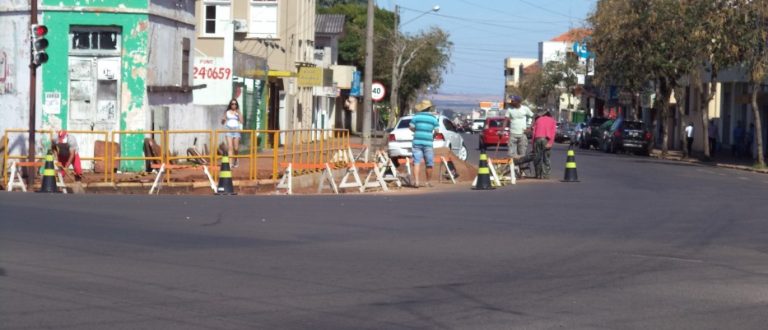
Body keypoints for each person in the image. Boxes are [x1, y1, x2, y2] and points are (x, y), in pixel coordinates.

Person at [409, 99, 439, 188]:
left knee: (416, 162)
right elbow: (437, 131)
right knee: (429, 163)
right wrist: (432, 136)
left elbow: (410, 127)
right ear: (429, 108)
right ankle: (428, 182)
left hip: (417, 142)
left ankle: (417, 182)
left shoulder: (416, 117)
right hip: (428, 143)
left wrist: (416, 131)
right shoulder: (433, 118)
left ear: (421, 108)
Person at [531, 110, 557, 179]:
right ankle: (545, 175)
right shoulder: (553, 121)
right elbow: (553, 133)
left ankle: (538, 174)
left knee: (537, 157)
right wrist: (550, 143)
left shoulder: (538, 120)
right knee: (546, 158)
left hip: (537, 139)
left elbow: (533, 133)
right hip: (546, 140)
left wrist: (533, 144)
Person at [221, 98, 243, 167]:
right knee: (230, 147)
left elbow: (242, 121)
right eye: (232, 104)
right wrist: (223, 120)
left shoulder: (238, 112)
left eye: (235, 104)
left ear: (237, 105)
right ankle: (230, 163)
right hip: (229, 129)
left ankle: (236, 160)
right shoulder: (227, 112)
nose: (234, 105)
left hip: (236, 129)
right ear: (230, 105)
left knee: (236, 148)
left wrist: (239, 114)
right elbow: (222, 122)